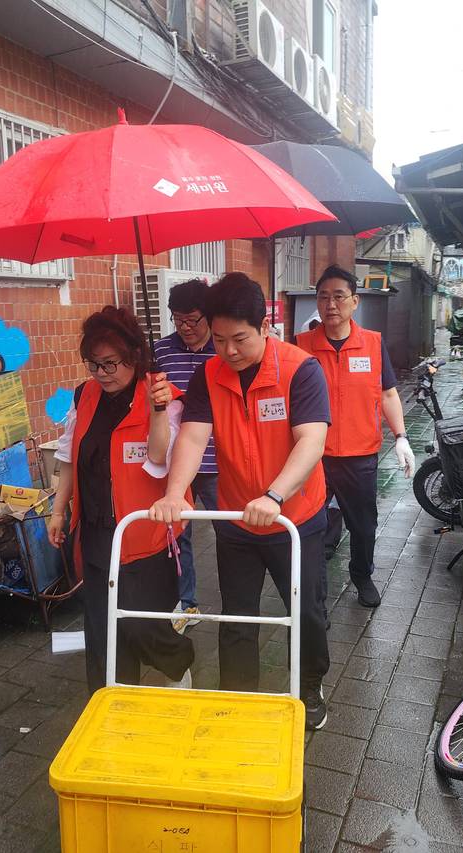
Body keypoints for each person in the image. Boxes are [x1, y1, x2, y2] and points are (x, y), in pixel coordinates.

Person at [150, 273, 331, 730]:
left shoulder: (299, 369)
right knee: (236, 615)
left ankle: (310, 684)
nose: (228, 351)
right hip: (236, 519)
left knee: (305, 610)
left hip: (295, 516)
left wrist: (275, 494)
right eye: (220, 339)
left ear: (266, 325)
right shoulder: (209, 376)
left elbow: (311, 441)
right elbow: (192, 437)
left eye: (240, 339)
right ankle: (238, 698)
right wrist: (175, 493)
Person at [48, 306, 194, 694]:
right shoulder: (85, 396)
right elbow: (68, 457)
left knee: (144, 624)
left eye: (110, 364)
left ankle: (177, 669)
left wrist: (158, 412)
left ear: (133, 355)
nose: (101, 374)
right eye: (93, 364)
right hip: (97, 533)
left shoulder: (162, 394)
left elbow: (159, 458)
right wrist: (58, 510)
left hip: (144, 535)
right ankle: (111, 698)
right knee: (102, 627)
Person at [296, 264, 416, 609]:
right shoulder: (301, 346)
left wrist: (402, 437)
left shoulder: (373, 345)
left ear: (354, 301)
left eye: (338, 296)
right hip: (312, 456)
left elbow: (389, 394)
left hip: (359, 455)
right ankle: (313, 594)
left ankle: (362, 576)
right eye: (323, 297)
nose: (330, 304)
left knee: (363, 526)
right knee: (310, 526)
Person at [154, 279, 218, 634]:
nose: (186, 328)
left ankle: (239, 597)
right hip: (176, 463)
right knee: (179, 535)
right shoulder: (161, 350)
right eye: (178, 320)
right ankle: (187, 601)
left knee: (232, 531)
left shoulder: (223, 350)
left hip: (219, 461)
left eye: (193, 320)